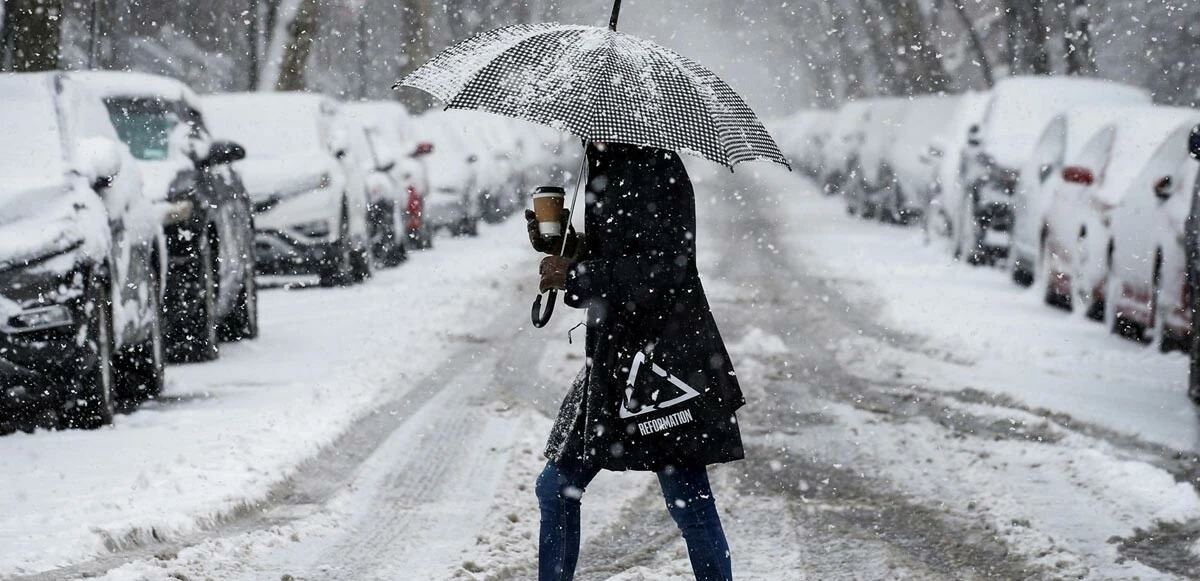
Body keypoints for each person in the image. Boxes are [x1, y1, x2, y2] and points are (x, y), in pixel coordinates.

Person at [526, 142, 745, 581]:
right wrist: (567, 244)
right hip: (614, 358)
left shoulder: (651, 167)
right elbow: (626, 250)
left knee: (690, 502)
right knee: (555, 488)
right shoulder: (610, 158)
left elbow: (665, 268)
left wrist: (576, 275)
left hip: (661, 362)